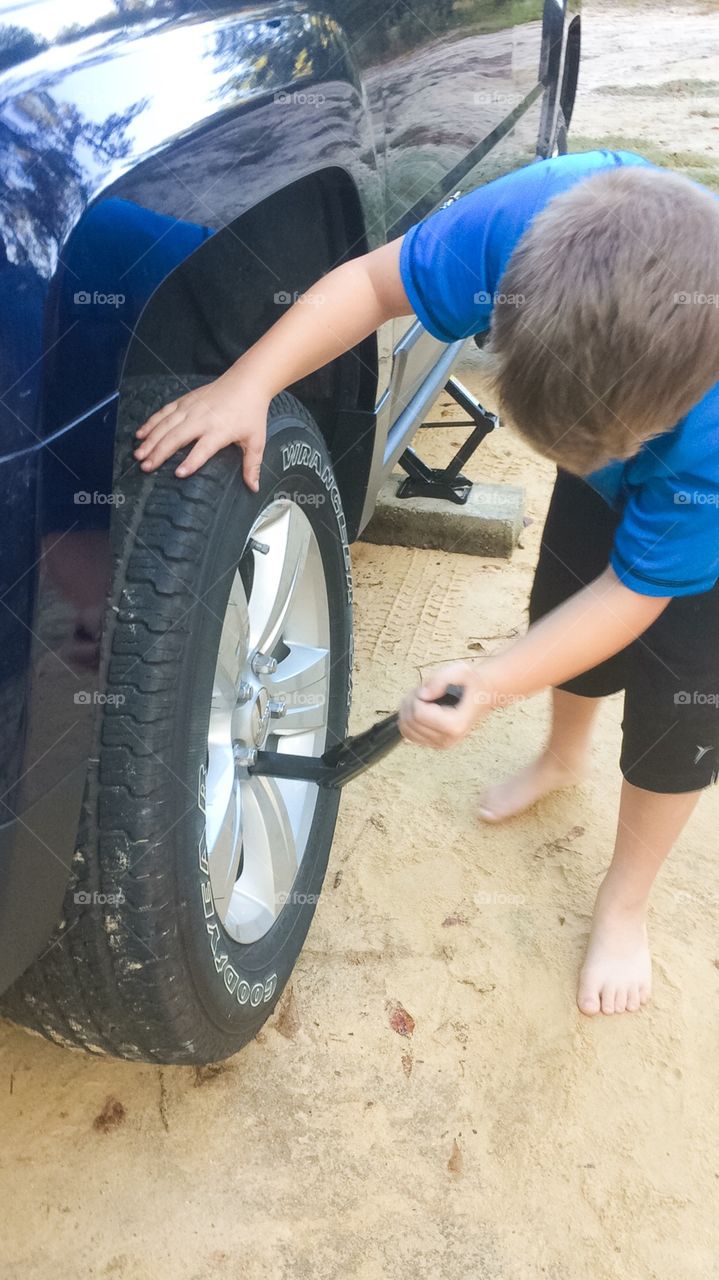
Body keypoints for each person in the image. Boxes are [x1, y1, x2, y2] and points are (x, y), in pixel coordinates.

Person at [134, 150, 719, 1017]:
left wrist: (489, 682)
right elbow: (369, 287)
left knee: (683, 705)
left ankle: (624, 900)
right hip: (638, 427)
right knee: (559, 599)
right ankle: (560, 758)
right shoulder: (518, 225)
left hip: (696, 505)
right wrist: (246, 384)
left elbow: (635, 592)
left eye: (615, 449)